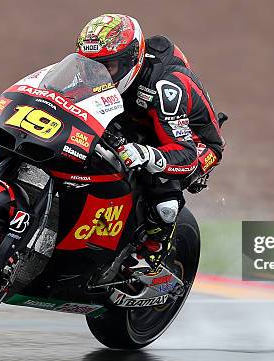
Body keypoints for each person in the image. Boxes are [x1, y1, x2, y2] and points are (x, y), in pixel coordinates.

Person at [75, 14, 225, 269]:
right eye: (90, 66)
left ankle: (152, 249)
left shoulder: (167, 86)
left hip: (192, 143)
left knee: (161, 190)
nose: (97, 74)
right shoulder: (102, 72)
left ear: (129, 61)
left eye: (106, 67)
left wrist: (148, 155)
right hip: (141, 121)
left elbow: (185, 154)